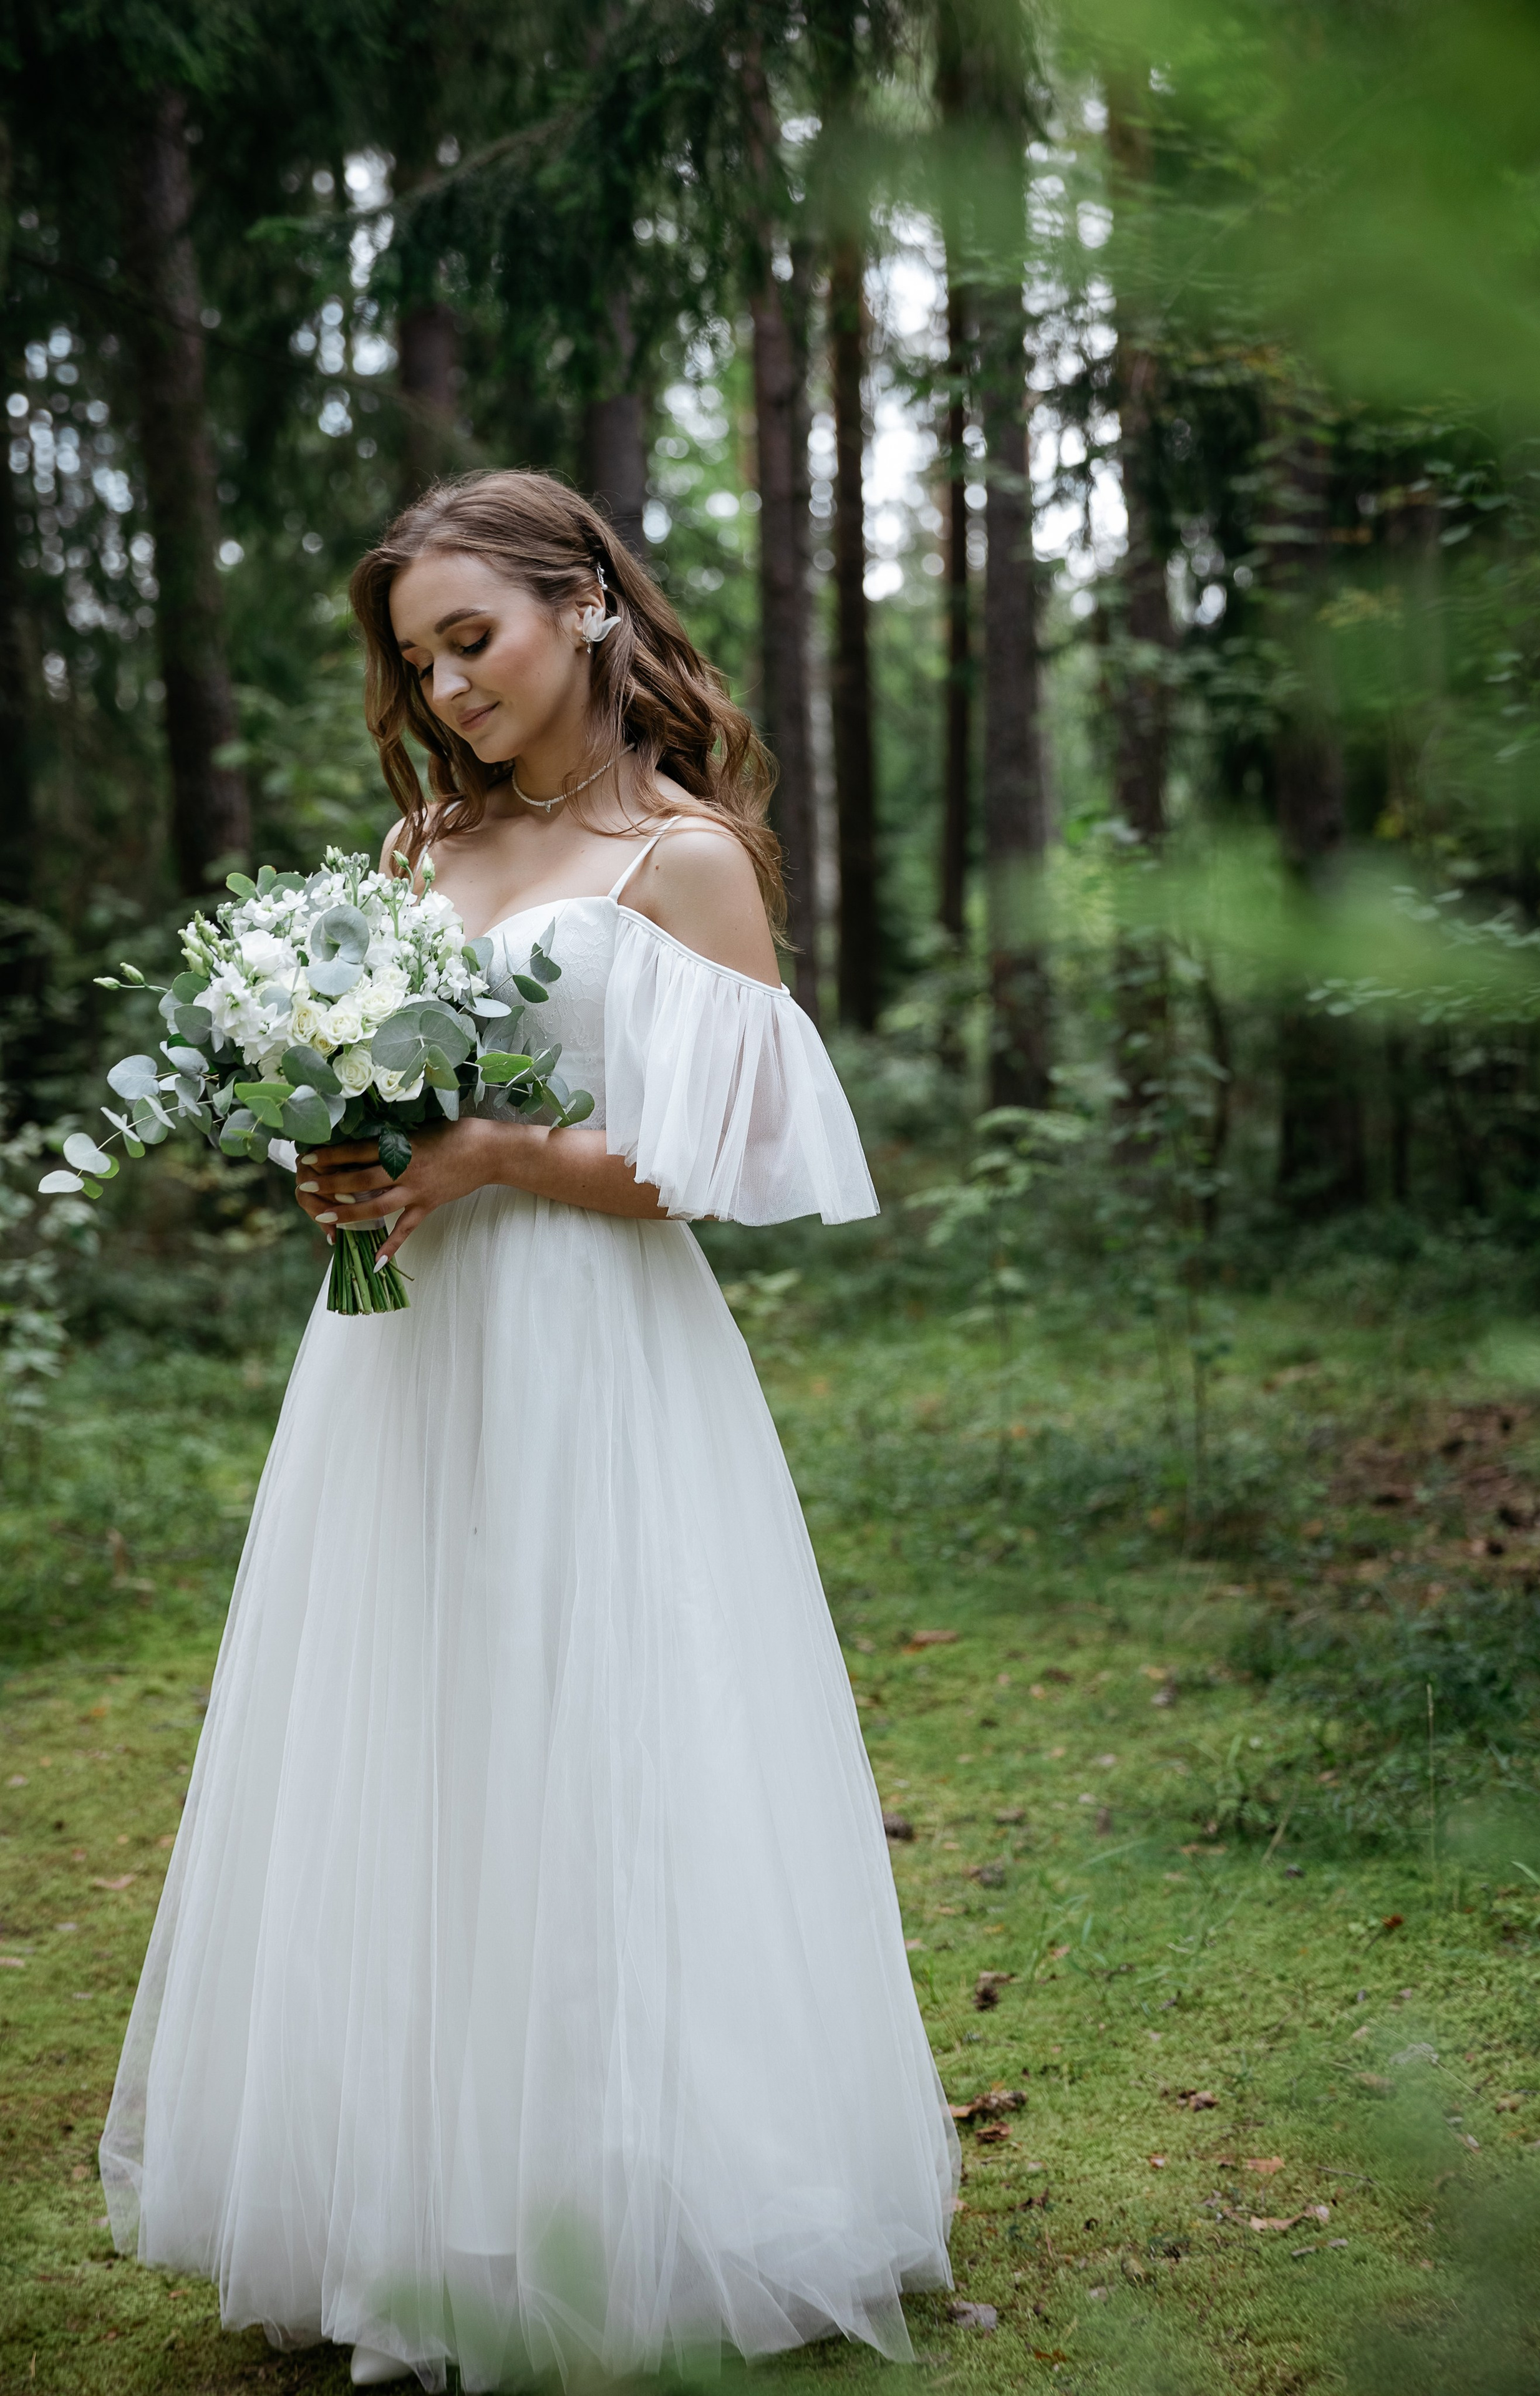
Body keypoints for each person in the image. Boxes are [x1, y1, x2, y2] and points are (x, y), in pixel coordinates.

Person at [99, 470, 957, 2390]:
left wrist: (486, 1150)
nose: (450, 686)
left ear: (584, 604)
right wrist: (354, 1155)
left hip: (591, 1346)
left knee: (598, 1720)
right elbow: (388, 1082)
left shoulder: (686, 859)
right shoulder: (420, 847)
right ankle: (401, 2195)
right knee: (412, 1723)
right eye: (420, 660)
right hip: (406, 1360)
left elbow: (716, 1158)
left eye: (470, 638)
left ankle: (628, 2192)